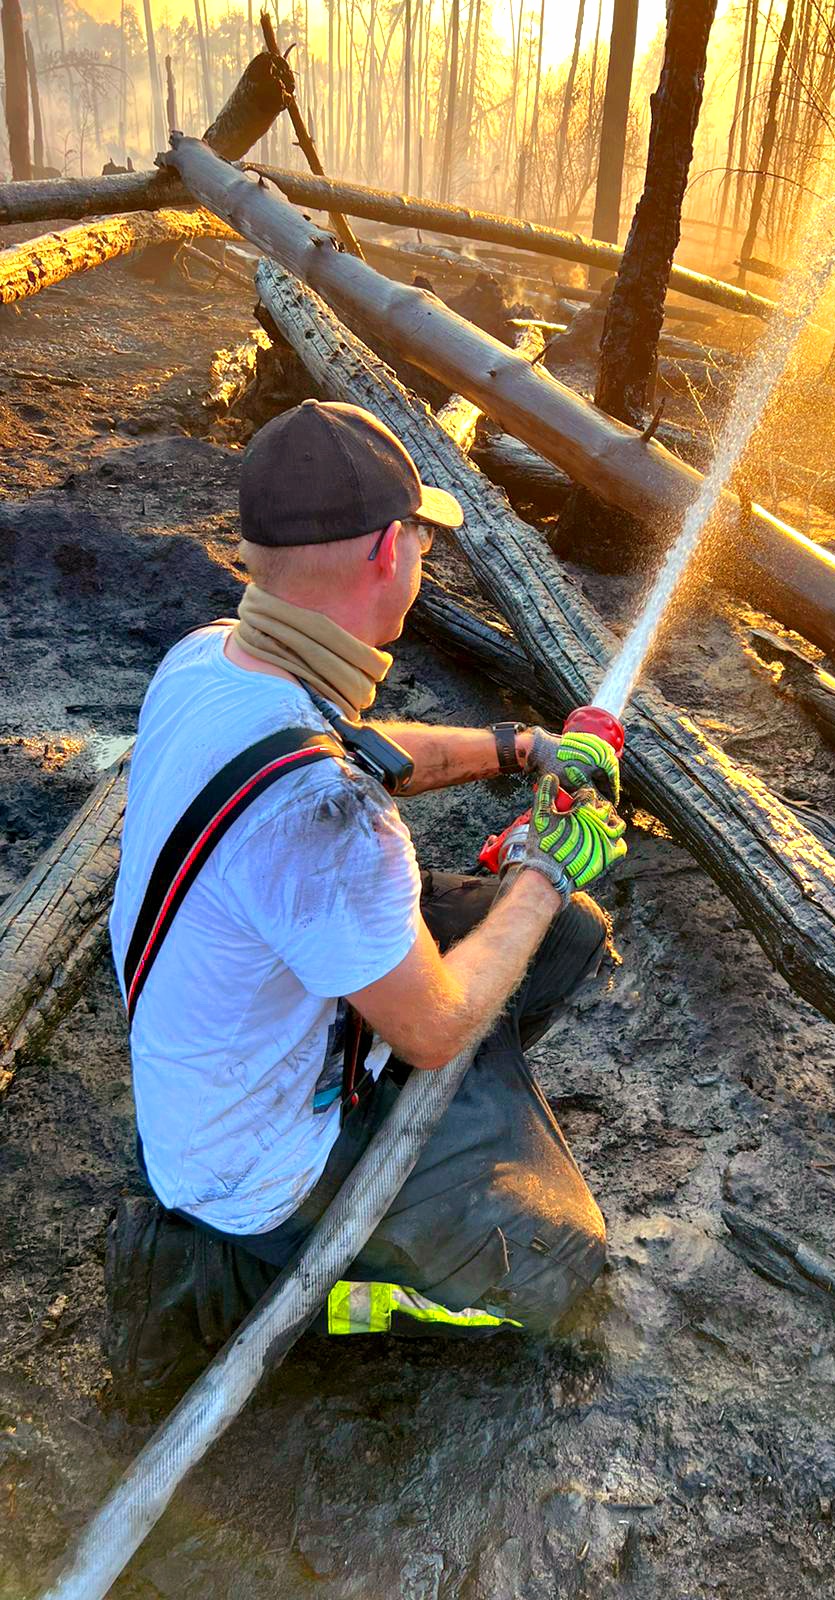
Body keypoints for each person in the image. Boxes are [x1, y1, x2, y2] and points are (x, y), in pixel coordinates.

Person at [105, 399, 627, 1404]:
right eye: (424, 545)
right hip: (255, 1177)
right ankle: (276, 1287)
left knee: (556, 938)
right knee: (566, 1267)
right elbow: (433, 1028)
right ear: (391, 550)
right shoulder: (333, 821)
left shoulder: (214, 658)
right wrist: (546, 865)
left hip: (222, 1068)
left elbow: (368, 750)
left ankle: (407, 1136)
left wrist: (521, 749)